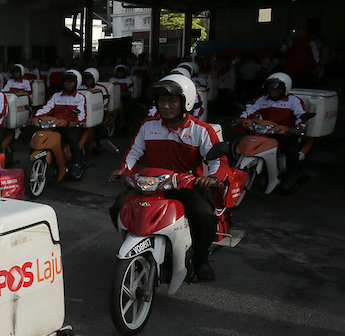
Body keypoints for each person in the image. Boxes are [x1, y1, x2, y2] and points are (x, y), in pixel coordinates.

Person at [109, 73, 225, 282]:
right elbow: (134, 154)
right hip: (151, 185)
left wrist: (213, 178)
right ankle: (134, 245)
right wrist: (123, 170)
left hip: (187, 187)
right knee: (118, 206)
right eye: (162, 101)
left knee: (204, 214)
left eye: (172, 101)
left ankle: (200, 259)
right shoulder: (148, 127)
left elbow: (218, 162)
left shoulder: (201, 130)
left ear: (186, 102)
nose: (166, 106)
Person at [238, 72, 308, 184]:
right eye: (270, 88)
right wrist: (241, 119)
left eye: (277, 88)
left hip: (285, 133)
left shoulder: (293, 100)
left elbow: (302, 116)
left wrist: (297, 128)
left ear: (285, 89)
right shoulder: (262, 99)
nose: (273, 91)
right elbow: (250, 110)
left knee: (290, 150)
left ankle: (293, 174)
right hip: (265, 132)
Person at [34, 69, 87, 176]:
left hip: (71, 126)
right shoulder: (56, 96)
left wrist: (75, 122)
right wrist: (35, 117)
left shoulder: (80, 98)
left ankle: (76, 163)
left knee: (72, 138)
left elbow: (82, 114)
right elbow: (46, 108)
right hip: (56, 125)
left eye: (71, 82)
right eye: (66, 81)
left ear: (75, 84)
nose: (68, 84)